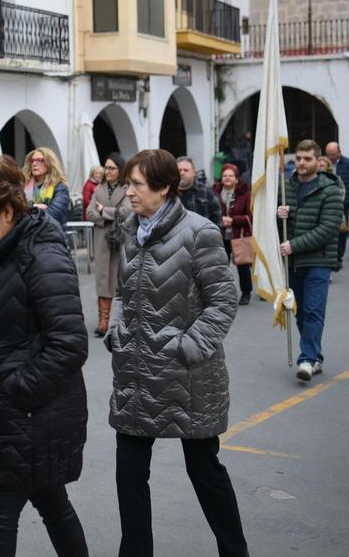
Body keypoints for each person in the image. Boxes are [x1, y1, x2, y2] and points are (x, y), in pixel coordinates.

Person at [107, 149, 248, 557]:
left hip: (189, 377)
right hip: (135, 374)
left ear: (164, 187)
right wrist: (117, 329)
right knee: (129, 473)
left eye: (136, 184)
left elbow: (223, 301)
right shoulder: (131, 228)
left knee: (204, 471)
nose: (128, 192)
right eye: (128, 183)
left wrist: (188, 347)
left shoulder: (199, 231)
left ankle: (235, 551)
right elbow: (122, 291)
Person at [0, 156, 89, 557]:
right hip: (15, 416)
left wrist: (15, 392)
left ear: (8, 211)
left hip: (30, 416)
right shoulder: (1, 251)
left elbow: (69, 343)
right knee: (52, 502)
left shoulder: (41, 256)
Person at [277, 140, 342, 382]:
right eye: (299, 159)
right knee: (301, 314)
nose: (302, 163)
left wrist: (294, 245)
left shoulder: (330, 189)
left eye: (307, 159)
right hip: (293, 263)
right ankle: (316, 356)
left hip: (318, 260)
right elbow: (280, 227)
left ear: (318, 161)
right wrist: (279, 215)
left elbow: (328, 228)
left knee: (314, 311)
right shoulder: (286, 187)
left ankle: (306, 359)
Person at [87, 155, 131, 337]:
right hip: (102, 240)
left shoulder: (128, 188)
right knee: (102, 280)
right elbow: (89, 213)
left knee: (119, 279)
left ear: (120, 169)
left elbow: (128, 212)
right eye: (106, 168)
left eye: (112, 168)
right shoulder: (99, 189)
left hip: (121, 240)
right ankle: (103, 321)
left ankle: (119, 320)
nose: (107, 171)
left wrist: (103, 211)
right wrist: (109, 215)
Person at [214, 163, 253, 307]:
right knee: (220, 266)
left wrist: (233, 220)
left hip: (239, 234)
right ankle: (222, 294)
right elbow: (211, 211)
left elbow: (250, 216)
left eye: (231, 176)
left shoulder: (245, 194)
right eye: (225, 176)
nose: (228, 178)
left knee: (242, 265)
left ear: (236, 179)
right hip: (220, 235)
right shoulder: (214, 192)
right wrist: (220, 220)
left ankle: (246, 292)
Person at [326, 142, 349, 267]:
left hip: (343, 205)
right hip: (326, 203)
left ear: (339, 152)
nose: (330, 157)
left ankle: (338, 257)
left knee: (341, 231)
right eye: (328, 154)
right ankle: (330, 258)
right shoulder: (323, 163)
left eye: (333, 154)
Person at [22, 148, 70, 228]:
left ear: (49, 163)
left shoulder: (60, 187)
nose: (34, 163)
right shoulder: (23, 185)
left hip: (52, 236)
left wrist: (28, 209)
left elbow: (53, 215)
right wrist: (34, 206)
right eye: (32, 160)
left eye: (39, 160)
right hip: (28, 236)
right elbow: (17, 211)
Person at [176, 157, 222, 233]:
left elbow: (217, 218)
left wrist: (210, 237)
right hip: (174, 242)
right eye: (179, 170)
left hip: (201, 241)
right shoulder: (168, 193)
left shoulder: (206, 191)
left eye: (186, 170)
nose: (182, 173)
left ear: (194, 172)